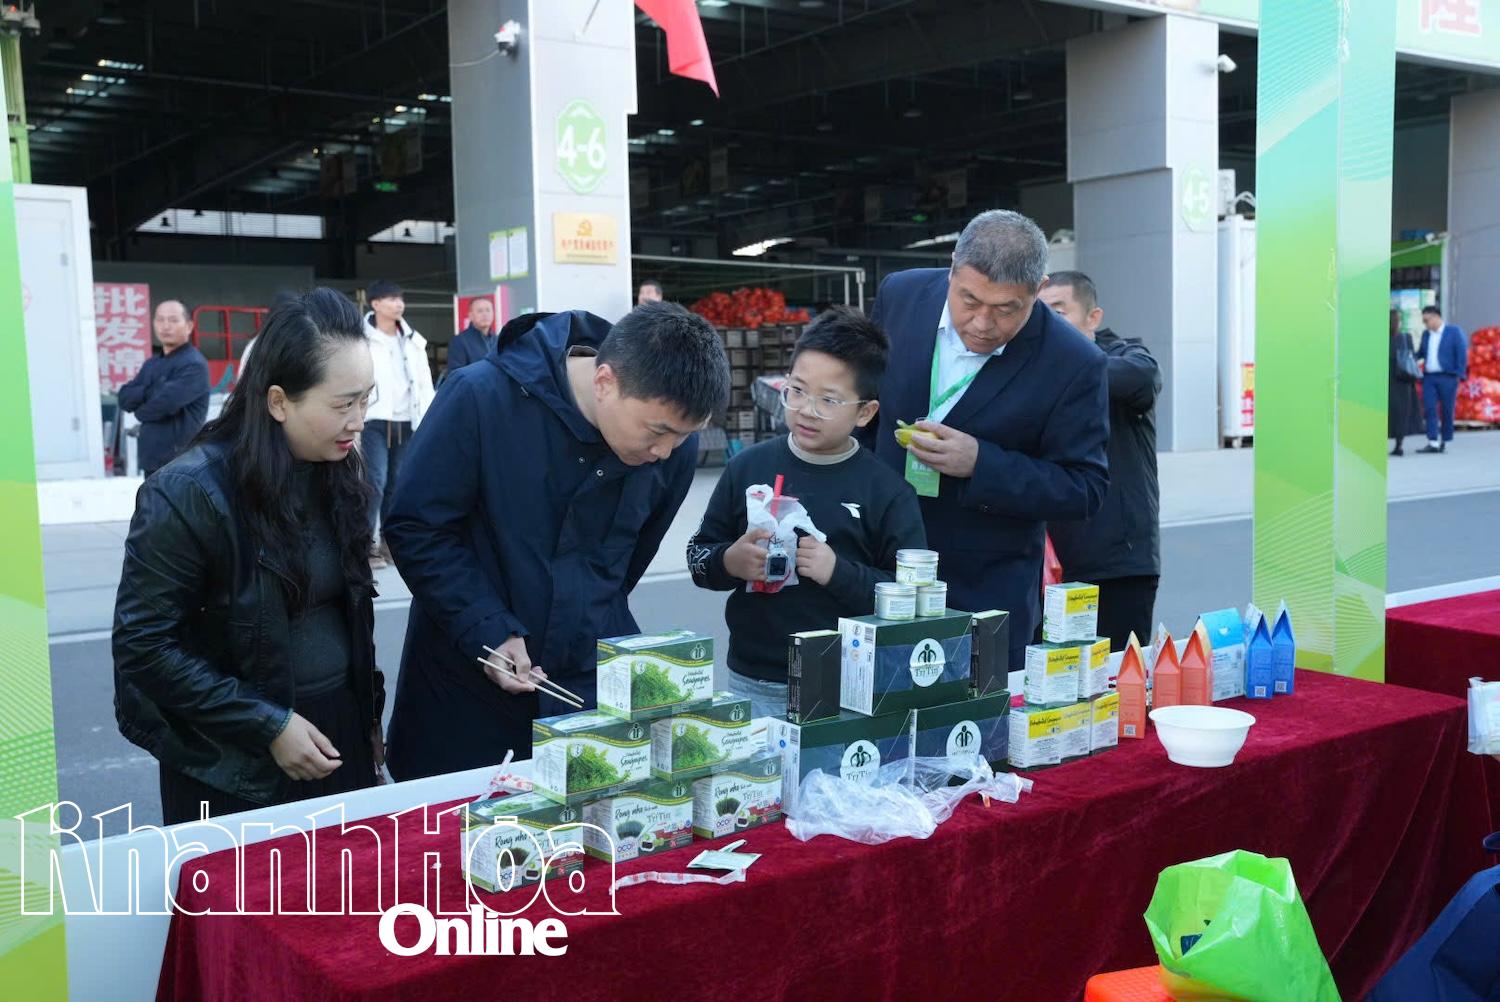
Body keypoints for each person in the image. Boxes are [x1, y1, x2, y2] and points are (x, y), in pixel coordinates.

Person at [381, 301, 729, 779]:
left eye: (683, 437)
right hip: (465, 688)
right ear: (604, 381)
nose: (664, 453)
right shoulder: (481, 398)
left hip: (586, 689)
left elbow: (625, 568)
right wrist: (486, 628)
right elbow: (415, 526)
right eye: (658, 432)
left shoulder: (673, 448)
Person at [112, 288, 385, 824]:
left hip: (335, 734)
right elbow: (143, 646)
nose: (358, 421)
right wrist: (268, 725)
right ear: (279, 401)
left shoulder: (339, 472)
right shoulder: (189, 492)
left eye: (366, 400)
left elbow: (350, 615)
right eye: (342, 404)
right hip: (235, 755)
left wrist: (366, 723)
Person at [868, 209, 1109, 669]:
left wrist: (982, 463)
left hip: (984, 586)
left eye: (1006, 310)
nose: (981, 323)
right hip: (879, 566)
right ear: (953, 266)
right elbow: (865, 403)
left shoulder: (1074, 363)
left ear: (1038, 289)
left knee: (978, 732)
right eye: (969, 300)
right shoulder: (902, 294)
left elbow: (1085, 488)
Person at [686, 308, 927, 719]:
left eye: (829, 400)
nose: (807, 409)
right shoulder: (747, 468)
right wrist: (731, 560)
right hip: (755, 679)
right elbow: (698, 557)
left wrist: (838, 571)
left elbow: (916, 595)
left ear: (865, 413)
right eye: (797, 391)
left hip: (849, 682)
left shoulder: (886, 491)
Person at [1039, 272, 1161, 650]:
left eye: (1059, 312)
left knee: (1117, 681)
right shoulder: (1033, 371)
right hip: (1052, 565)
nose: (1048, 325)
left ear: (1093, 318)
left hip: (1117, 564)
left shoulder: (1128, 359)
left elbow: (1141, 378)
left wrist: (1054, 373)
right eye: (1040, 314)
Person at [362, 280, 435, 568]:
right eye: (391, 299)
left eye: (400, 298)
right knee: (375, 483)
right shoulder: (361, 339)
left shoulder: (414, 340)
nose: (398, 303)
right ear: (375, 304)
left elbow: (425, 383)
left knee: (397, 485)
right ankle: (366, 547)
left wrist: (428, 419)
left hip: (407, 420)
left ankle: (389, 543)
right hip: (375, 419)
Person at [116, 300, 211, 476]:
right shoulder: (152, 364)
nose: (165, 326)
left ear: (189, 326)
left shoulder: (194, 364)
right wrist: (152, 390)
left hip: (181, 462)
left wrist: (140, 407)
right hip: (151, 459)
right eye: (160, 320)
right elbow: (124, 398)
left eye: (173, 320)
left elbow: (163, 404)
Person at [1417, 305, 1468, 454]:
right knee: (1429, 408)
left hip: (1448, 376)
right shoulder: (1426, 335)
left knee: (1447, 409)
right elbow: (1420, 353)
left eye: (1427, 320)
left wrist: (1459, 374)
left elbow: (1461, 354)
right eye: (1424, 321)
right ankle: (1432, 441)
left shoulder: (1453, 332)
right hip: (1429, 377)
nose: (1425, 324)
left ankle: (1446, 440)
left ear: (1436, 317)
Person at [1389, 309, 1424, 457]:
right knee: (1401, 414)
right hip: (1403, 381)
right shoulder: (1405, 337)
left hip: (1388, 380)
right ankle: (1399, 444)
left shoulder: (1380, 338)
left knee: (1389, 413)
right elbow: (1412, 358)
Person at [446, 296, 498, 376]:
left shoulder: (498, 340)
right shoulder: (460, 341)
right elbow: (456, 375)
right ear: (470, 315)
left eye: (488, 310)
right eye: (480, 311)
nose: (485, 314)